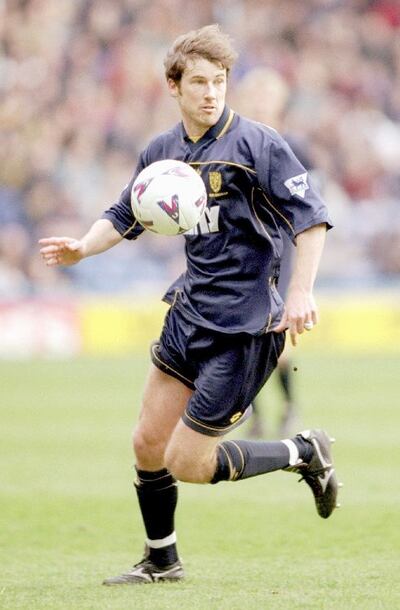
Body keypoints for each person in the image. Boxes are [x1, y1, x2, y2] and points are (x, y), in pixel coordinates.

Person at [39, 24, 340, 586]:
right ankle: (162, 560)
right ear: (173, 86)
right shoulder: (161, 152)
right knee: (147, 443)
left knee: (188, 463)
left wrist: (301, 291)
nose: (211, 92)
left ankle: (302, 450)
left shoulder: (258, 145)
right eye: (199, 82)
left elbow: (312, 220)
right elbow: (123, 213)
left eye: (219, 81)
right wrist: (83, 246)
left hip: (246, 325)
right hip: (189, 311)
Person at [232, 66, 317, 439]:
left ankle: (288, 406)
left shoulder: (293, 147)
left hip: (280, 251)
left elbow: (311, 205)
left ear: (280, 103)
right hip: (242, 251)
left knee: (275, 335)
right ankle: (255, 413)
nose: (260, 103)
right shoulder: (234, 145)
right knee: (241, 335)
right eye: (254, 96)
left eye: (267, 96)